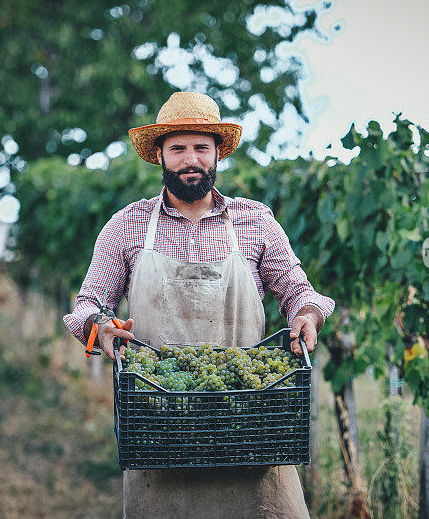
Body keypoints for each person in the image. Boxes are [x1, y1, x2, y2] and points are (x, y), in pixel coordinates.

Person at [63, 91, 335, 518]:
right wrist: (100, 326)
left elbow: (298, 289)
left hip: (249, 428)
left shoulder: (256, 220)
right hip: (160, 433)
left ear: (216, 155)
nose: (191, 158)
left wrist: (307, 314)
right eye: (178, 148)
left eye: (201, 148)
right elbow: (87, 303)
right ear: (159, 155)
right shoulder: (126, 225)